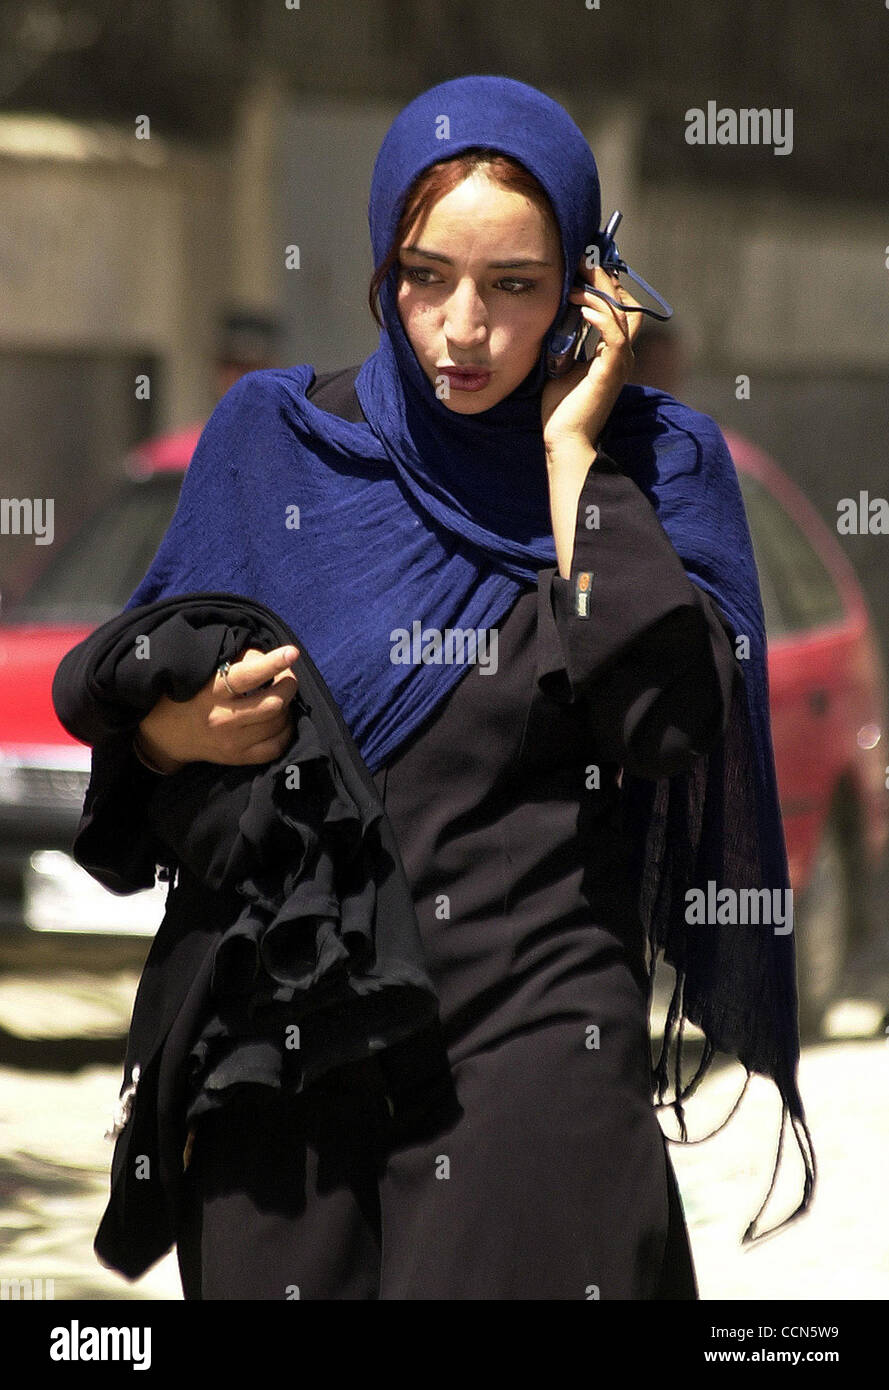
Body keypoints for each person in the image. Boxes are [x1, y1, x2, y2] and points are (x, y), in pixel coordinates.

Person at [82, 75, 816, 1300]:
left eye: (513, 287)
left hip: (532, 1044)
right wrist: (168, 736)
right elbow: (127, 751)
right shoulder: (275, 446)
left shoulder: (649, 465)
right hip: (286, 1046)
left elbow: (664, 722)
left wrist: (571, 455)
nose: (460, 328)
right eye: (426, 277)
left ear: (582, 296)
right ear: (382, 268)